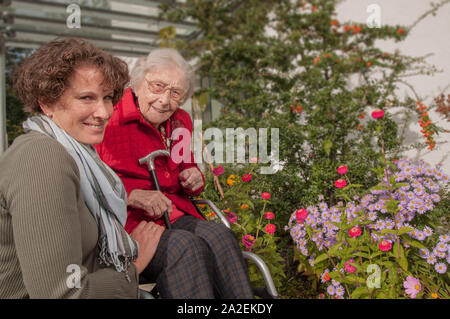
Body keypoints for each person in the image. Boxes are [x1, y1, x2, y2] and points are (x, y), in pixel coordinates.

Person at [0, 38, 162, 298]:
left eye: (107, 97)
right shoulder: (41, 156)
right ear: (47, 103)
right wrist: (132, 269)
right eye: (86, 98)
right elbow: (62, 293)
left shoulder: (78, 152)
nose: (104, 112)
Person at [95, 48, 254, 299]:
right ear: (137, 83)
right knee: (186, 246)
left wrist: (194, 177)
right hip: (126, 222)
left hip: (174, 214)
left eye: (175, 92)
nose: (164, 100)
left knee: (220, 236)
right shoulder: (108, 119)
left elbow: (185, 167)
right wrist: (131, 195)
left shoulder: (180, 121)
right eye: (157, 86)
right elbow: (89, 179)